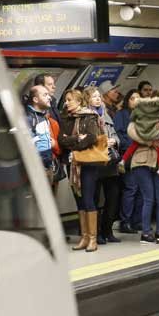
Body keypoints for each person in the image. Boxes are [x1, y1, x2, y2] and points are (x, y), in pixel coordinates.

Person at [58, 89, 103, 252]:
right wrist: (77, 139)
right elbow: (61, 140)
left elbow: (91, 138)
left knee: (89, 199)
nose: (67, 102)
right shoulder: (66, 118)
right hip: (72, 165)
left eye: (70, 100)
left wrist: (73, 144)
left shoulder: (89, 117)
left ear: (79, 102)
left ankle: (93, 238)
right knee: (79, 200)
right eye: (66, 100)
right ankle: (84, 236)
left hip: (88, 164)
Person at [127, 97, 159, 244]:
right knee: (149, 198)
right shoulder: (138, 120)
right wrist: (149, 140)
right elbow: (132, 132)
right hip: (142, 162)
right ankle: (146, 233)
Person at [85, 86, 122, 245]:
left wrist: (115, 141)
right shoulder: (86, 117)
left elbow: (115, 135)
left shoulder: (106, 114)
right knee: (96, 199)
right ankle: (97, 232)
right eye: (94, 97)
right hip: (95, 163)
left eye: (99, 96)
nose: (98, 99)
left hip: (110, 163)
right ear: (87, 100)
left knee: (112, 197)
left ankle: (108, 230)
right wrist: (103, 142)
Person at [119, 96, 159, 181]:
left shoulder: (140, 111)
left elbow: (132, 118)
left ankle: (123, 160)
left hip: (142, 132)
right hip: (153, 136)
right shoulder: (158, 112)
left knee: (133, 145)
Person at [115, 90, 143, 233]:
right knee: (130, 188)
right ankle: (125, 221)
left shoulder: (144, 115)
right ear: (128, 100)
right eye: (132, 98)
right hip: (129, 154)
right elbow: (119, 133)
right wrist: (132, 144)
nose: (135, 101)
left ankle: (137, 221)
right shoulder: (121, 114)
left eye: (138, 98)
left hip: (143, 155)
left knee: (141, 190)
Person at [25, 85, 56, 184]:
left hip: (47, 165)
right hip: (37, 168)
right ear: (35, 99)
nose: (49, 97)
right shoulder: (28, 118)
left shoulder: (42, 115)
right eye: (45, 95)